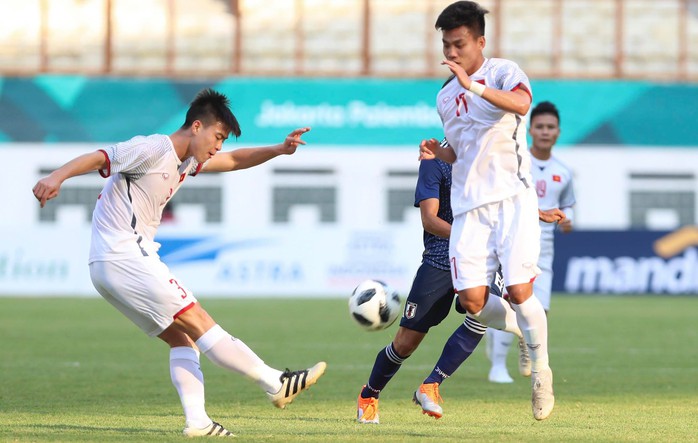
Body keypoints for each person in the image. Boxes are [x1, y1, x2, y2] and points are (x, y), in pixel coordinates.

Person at [32, 88, 326, 438]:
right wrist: (56, 177)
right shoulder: (153, 148)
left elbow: (234, 160)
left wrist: (278, 149)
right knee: (199, 320)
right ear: (197, 126)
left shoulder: (186, 161)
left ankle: (198, 423)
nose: (218, 146)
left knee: (182, 340)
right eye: (217, 137)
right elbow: (100, 156)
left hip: (106, 265)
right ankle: (274, 382)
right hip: (125, 256)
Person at [418, 1, 563, 421]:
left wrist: (473, 85)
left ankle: (541, 371)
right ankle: (520, 327)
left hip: (512, 199)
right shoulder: (445, 96)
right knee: (473, 302)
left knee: (519, 292)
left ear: (480, 41)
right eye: (446, 45)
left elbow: (520, 106)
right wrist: (436, 152)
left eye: (459, 44)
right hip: (468, 209)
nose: (452, 53)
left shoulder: (503, 72)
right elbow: (463, 152)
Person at [356, 147, 525, 424]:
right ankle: (369, 395)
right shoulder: (434, 160)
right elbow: (430, 220)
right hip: (440, 257)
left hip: (485, 256)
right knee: (405, 344)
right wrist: (467, 235)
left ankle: (431, 385)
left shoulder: (491, 156)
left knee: (479, 310)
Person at [486, 100, 576, 383]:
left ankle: (526, 345)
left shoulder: (564, 172)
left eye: (550, 127)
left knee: (540, 308)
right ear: (530, 130)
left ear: (558, 132)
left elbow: (569, 205)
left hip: (544, 247)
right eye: (540, 126)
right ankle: (497, 366)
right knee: (511, 301)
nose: (545, 132)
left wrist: (568, 219)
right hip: (512, 239)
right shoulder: (516, 161)